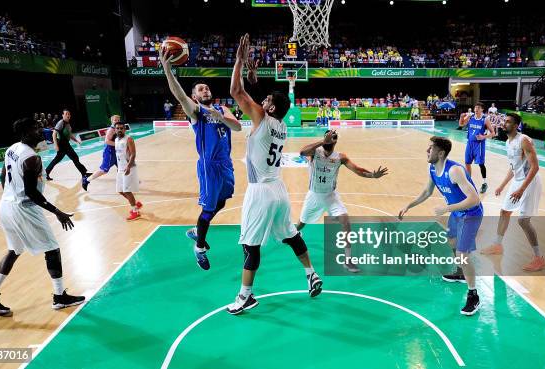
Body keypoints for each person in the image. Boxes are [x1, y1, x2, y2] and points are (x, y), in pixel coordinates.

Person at [226, 33, 323, 315]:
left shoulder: (263, 118)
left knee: (250, 244)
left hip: (260, 192)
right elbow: (257, 100)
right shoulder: (280, 125)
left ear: (269, 108)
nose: (262, 101)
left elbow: (236, 91)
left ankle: (245, 295)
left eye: (266, 100)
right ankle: (311, 274)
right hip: (279, 190)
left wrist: (238, 61)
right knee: (290, 235)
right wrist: (253, 76)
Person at [0, 118, 85, 315]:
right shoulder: (31, 158)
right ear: (26, 132)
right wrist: (57, 212)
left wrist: (10, 195)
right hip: (23, 208)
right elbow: (31, 192)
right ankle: (59, 297)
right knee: (52, 249)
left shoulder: (12, 148)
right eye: (36, 129)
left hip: (6, 206)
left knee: (13, 250)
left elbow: (3, 176)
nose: (40, 131)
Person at [159, 44, 242, 270]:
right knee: (207, 208)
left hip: (226, 164)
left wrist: (220, 115)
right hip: (209, 165)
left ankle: (197, 231)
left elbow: (237, 128)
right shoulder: (196, 112)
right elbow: (178, 94)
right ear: (195, 96)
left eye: (206, 88)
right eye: (200, 90)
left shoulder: (222, 109)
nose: (205, 91)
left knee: (223, 200)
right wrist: (167, 69)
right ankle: (200, 247)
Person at [398, 136, 483, 316]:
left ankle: (473, 295)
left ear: (441, 153)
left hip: (471, 213)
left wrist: (446, 208)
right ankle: (460, 274)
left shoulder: (454, 171)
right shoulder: (432, 168)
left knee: (462, 254)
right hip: (456, 212)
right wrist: (409, 205)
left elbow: (475, 199)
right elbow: (427, 192)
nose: (427, 151)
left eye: (430, 148)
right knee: (451, 243)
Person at [297, 129, 388, 273]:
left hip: (331, 196)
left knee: (346, 221)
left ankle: (348, 260)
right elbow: (302, 152)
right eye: (328, 137)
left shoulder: (340, 157)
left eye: (332, 138)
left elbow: (357, 169)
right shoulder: (315, 152)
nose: (330, 139)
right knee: (301, 224)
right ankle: (293, 233)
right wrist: (322, 142)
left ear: (335, 141)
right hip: (313, 195)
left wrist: (372, 175)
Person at [481, 113, 545, 271]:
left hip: (530, 182)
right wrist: (502, 185)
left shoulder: (524, 140)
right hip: (518, 180)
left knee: (523, 221)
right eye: (504, 121)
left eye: (508, 122)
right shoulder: (508, 142)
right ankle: (497, 245)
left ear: (516, 126)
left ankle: (539, 257)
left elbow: (535, 167)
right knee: (504, 212)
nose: (504, 124)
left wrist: (521, 189)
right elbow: (513, 167)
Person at [459, 102, 495, 193]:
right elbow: (461, 124)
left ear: (482, 109)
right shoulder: (470, 117)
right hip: (470, 143)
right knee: (467, 163)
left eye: (478, 107)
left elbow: (493, 133)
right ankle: (469, 182)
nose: (476, 109)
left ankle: (484, 183)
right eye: (475, 107)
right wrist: (461, 117)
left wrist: (484, 137)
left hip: (479, 145)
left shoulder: (485, 119)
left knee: (481, 164)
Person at [45, 109, 90, 181]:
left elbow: (70, 135)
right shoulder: (61, 123)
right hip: (62, 145)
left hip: (66, 144)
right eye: (66, 114)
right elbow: (54, 134)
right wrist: (56, 145)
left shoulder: (68, 123)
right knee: (74, 158)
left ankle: (46, 173)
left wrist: (76, 141)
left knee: (58, 160)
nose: (68, 115)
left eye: (69, 114)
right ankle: (84, 173)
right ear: (63, 115)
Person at [114, 120, 143, 221]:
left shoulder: (129, 139)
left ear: (124, 129)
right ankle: (136, 204)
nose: (119, 130)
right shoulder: (116, 140)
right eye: (117, 128)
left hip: (128, 168)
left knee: (127, 190)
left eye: (121, 128)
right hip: (120, 168)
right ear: (115, 129)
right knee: (120, 190)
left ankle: (135, 211)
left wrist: (128, 167)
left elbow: (133, 154)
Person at [82, 115, 119, 191]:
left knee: (122, 167)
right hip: (109, 152)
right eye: (115, 120)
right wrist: (119, 144)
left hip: (115, 152)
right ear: (112, 121)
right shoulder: (111, 130)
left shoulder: (117, 129)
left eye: (118, 120)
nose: (117, 121)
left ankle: (126, 181)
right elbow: (107, 141)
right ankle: (86, 180)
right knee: (103, 170)